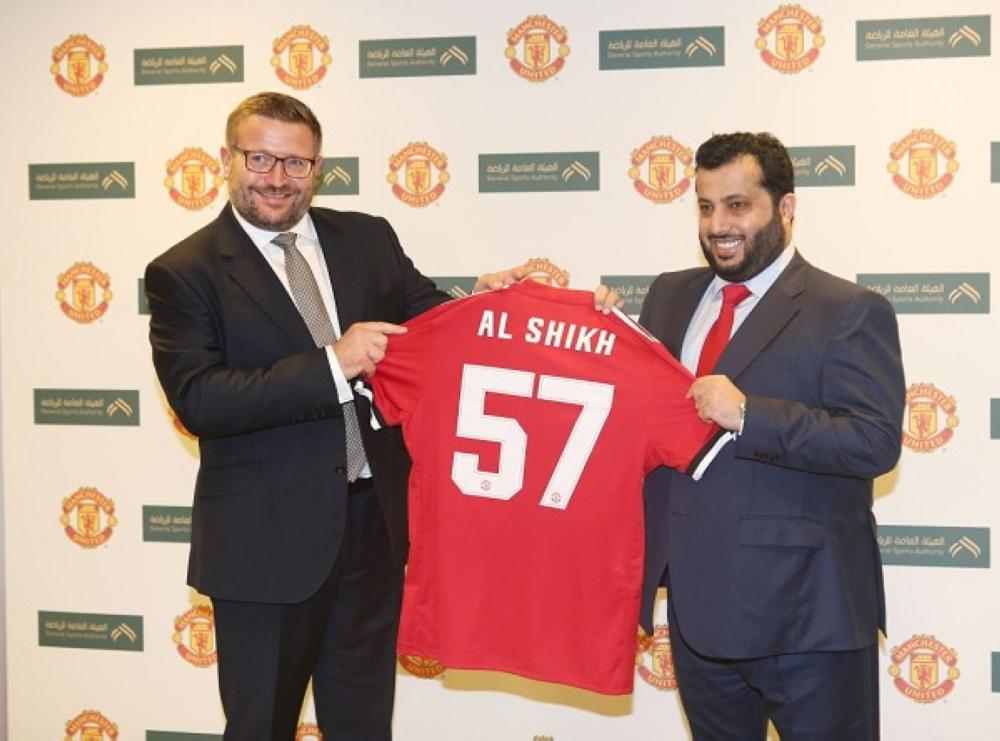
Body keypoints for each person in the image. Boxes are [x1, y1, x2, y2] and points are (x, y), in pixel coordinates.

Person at [145, 91, 528, 740]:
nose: (277, 178)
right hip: (263, 546)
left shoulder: (367, 238)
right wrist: (332, 364)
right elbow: (201, 398)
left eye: (296, 163)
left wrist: (480, 306)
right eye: (260, 158)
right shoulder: (185, 272)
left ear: (318, 168)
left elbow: (426, 326)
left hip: (370, 530)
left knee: (363, 725)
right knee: (261, 727)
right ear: (226, 159)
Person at [635, 132, 904, 739]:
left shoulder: (848, 308)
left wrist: (750, 414)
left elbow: (873, 441)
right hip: (699, 612)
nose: (718, 226)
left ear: (785, 208)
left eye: (738, 206)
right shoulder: (668, 294)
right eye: (706, 206)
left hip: (809, 619)